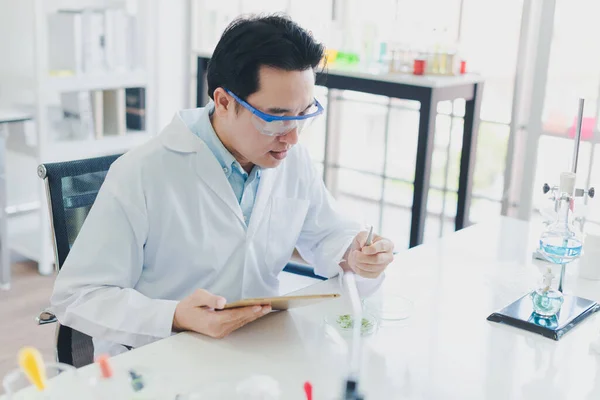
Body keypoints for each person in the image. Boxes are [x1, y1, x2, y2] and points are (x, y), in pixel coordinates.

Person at [51, 14, 395, 357]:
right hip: (158, 358)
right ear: (225, 101)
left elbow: (327, 234)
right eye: (276, 119)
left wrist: (355, 254)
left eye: (303, 115)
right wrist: (174, 316)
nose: (292, 137)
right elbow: (78, 295)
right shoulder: (141, 172)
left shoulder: (292, 159)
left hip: (255, 350)